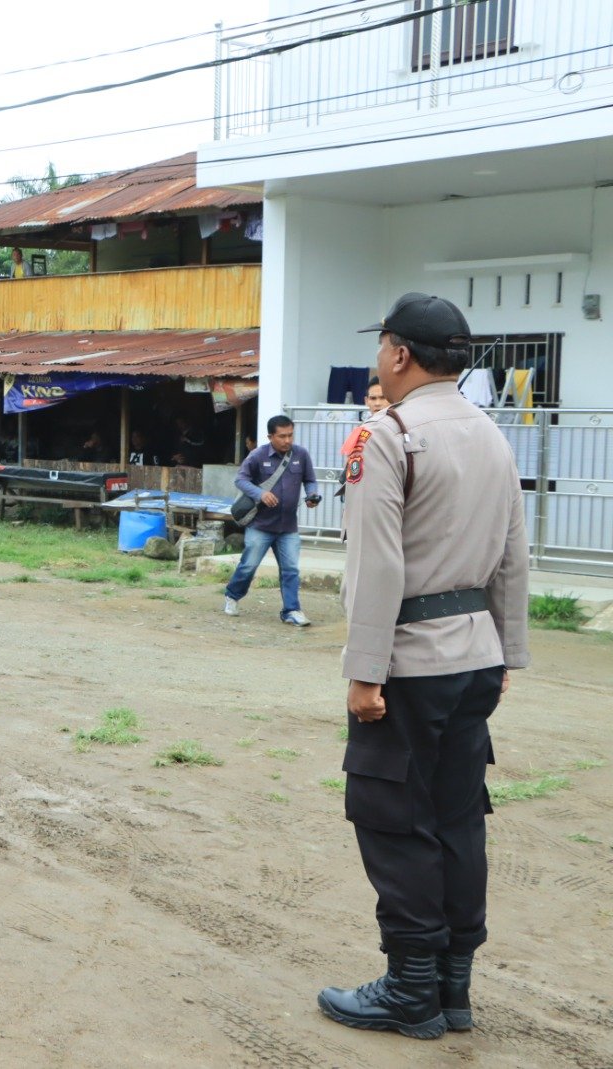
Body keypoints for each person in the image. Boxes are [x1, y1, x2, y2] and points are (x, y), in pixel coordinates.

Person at [317, 293, 530, 1041]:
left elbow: (377, 563)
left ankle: (411, 989)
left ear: (400, 353)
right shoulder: (491, 434)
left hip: (409, 662)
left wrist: (364, 669)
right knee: (457, 818)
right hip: (475, 656)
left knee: (393, 816)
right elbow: (513, 554)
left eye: (381, 346)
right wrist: (507, 651)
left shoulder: (390, 434)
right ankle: (452, 986)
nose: (379, 358)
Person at [223, 415, 319, 626]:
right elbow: (241, 479)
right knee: (249, 566)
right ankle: (232, 595)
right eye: (282, 436)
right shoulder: (257, 456)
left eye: (290, 435)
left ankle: (291, 611)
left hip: (288, 526)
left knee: (290, 569)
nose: (287, 440)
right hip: (261, 525)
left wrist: (312, 495)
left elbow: (310, 480)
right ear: (270, 437)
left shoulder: (301, 454)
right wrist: (260, 494)